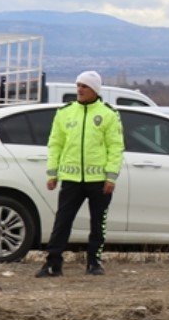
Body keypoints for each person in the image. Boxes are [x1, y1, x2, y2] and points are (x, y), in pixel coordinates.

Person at [37, 70, 125, 278]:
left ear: (94, 89)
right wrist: (52, 173)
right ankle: (53, 264)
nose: (79, 89)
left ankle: (94, 262)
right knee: (62, 222)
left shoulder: (108, 114)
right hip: (71, 179)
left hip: (99, 181)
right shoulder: (65, 112)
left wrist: (111, 176)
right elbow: (55, 144)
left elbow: (116, 147)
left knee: (98, 223)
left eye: (84, 86)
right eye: (78, 85)